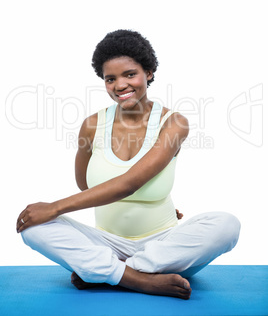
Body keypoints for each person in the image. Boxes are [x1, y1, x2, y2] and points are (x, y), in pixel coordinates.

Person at [17, 30, 240, 300]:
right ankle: (137, 279)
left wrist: (54, 207)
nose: (120, 85)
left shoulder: (174, 123)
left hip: (162, 248)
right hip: (105, 244)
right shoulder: (92, 125)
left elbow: (132, 182)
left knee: (227, 225)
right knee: (33, 227)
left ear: (149, 72)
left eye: (130, 74)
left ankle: (108, 273)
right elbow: (85, 184)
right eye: (110, 79)